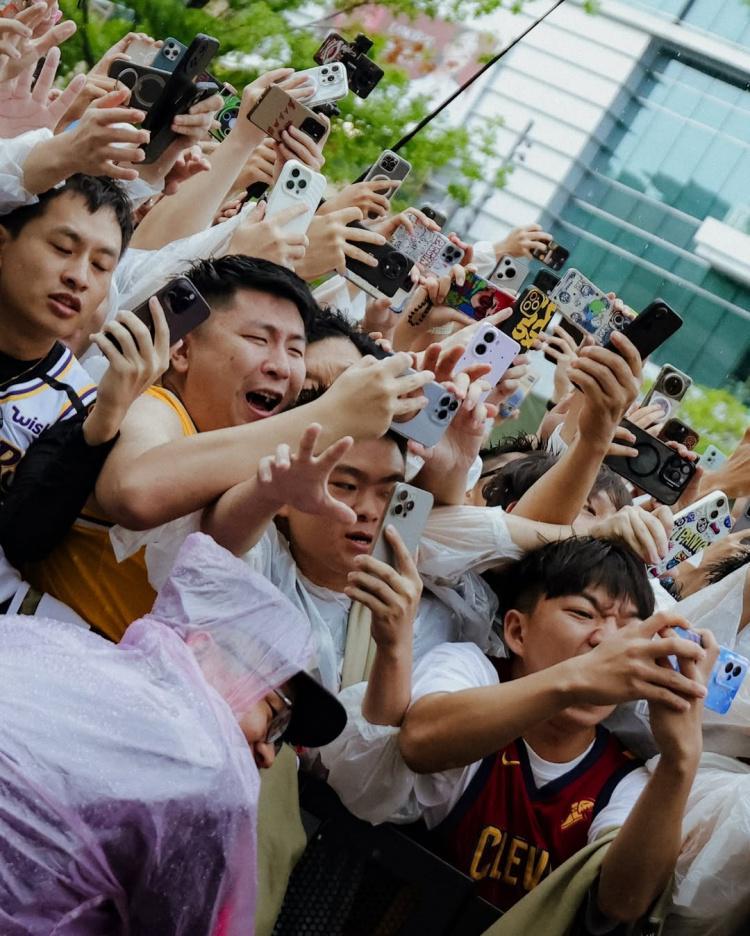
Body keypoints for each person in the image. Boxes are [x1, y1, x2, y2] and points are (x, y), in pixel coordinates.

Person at [25, 255, 434, 640]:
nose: (280, 366)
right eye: (258, 339)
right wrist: (330, 416)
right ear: (182, 351)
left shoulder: (249, 450)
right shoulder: (155, 405)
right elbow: (134, 493)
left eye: (294, 349)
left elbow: (221, 537)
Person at [0, 531, 346, 934]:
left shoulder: (57, 645)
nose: (269, 755)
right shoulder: (209, 774)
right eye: (274, 716)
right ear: (199, 647)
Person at [396, 537, 716, 924]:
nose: (607, 641)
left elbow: (623, 903)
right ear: (517, 631)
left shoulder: (625, 781)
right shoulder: (469, 671)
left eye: (629, 629)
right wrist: (576, 680)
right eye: (583, 613)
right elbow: (419, 743)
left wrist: (680, 760)